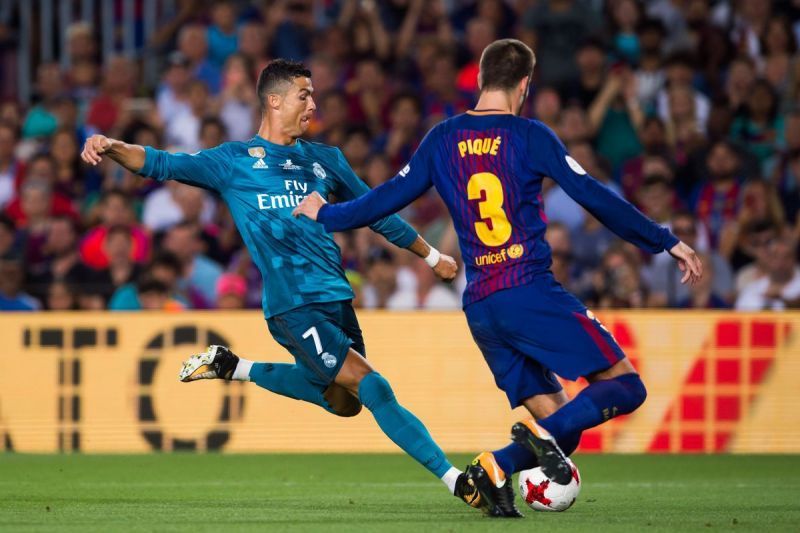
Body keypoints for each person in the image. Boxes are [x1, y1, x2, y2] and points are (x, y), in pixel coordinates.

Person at [294, 39, 703, 517]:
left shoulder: (442, 138)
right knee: (627, 386)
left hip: (482, 306)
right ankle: (503, 460)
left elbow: (387, 197)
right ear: (525, 84)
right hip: (527, 290)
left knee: (560, 431)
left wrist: (327, 214)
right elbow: (591, 194)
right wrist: (663, 239)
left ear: (482, 79)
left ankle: (497, 476)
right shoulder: (531, 136)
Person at [81, 60, 476, 509]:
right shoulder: (232, 161)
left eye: (312, 94)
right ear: (274, 100)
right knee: (374, 386)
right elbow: (160, 163)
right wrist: (110, 145)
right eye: (304, 94)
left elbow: (376, 211)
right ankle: (458, 481)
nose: (313, 103)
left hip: (337, 297)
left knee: (346, 404)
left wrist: (431, 255)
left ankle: (236, 368)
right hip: (292, 306)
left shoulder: (327, 160)